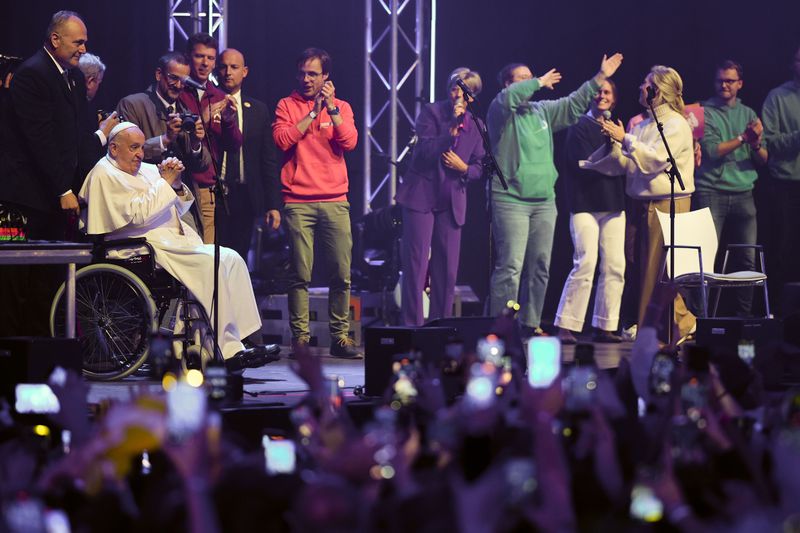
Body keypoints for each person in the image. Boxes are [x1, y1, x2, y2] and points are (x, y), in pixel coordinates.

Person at [79, 122, 280, 372]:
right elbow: (138, 216)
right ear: (113, 147)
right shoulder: (103, 174)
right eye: (133, 148)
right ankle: (229, 352)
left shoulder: (145, 170)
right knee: (212, 264)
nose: (140, 154)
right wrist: (165, 184)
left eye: (141, 147)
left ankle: (242, 339)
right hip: (138, 248)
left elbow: (179, 205)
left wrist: (175, 183)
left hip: (169, 242)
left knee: (231, 258)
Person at [486, 53, 624, 337]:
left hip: (543, 201)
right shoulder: (500, 111)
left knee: (540, 266)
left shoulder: (542, 111)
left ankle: (530, 322)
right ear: (506, 85)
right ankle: (501, 328)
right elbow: (509, 99)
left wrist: (599, 77)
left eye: (530, 76)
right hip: (511, 199)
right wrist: (537, 81)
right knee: (511, 266)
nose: (530, 82)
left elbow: (574, 104)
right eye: (521, 78)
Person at [0, 10, 117, 337]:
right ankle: (13, 356)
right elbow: (39, 140)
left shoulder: (75, 78)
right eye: (78, 42)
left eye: (85, 42)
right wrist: (63, 189)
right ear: (55, 39)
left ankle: (46, 355)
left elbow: (75, 138)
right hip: (23, 199)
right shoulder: (31, 74)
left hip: (55, 197)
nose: (83, 48)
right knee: (16, 281)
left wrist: (79, 185)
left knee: (49, 282)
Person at [586, 65, 696, 342]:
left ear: (657, 91)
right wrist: (610, 147)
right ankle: (665, 323)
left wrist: (626, 139)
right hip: (640, 204)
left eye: (645, 84)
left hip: (665, 203)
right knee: (640, 265)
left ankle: (657, 330)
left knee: (655, 269)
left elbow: (656, 160)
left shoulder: (675, 124)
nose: (639, 88)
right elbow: (629, 163)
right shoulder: (644, 125)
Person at [272, 48, 360, 358]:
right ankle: (301, 340)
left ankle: (340, 337)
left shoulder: (342, 107)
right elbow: (282, 140)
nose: (306, 79)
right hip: (298, 202)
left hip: (336, 200)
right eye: (302, 73)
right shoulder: (286, 105)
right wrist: (312, 112)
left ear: (325, 77)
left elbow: (349, 141)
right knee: (300, 274)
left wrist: (331, 107)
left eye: (313, 74)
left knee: (341, 273)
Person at [395, 68, 486, 326]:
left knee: (446, 270)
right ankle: (412, 325)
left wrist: (465, 168)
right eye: (454, 88)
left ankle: (440, 326)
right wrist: (450, 132)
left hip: (451, 201)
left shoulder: (478, 127)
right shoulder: (431, 114)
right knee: (416, 264)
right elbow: (423, 151)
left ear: (472, 95)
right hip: (421, 197)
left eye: (463, 90)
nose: (456, 94)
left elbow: (481, 166)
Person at [693, 60, 768, 316]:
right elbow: (712, 151)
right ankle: (701, 320)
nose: (724, 85)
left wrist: (756, 144)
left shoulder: (748, 113)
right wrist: (743, 139)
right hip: (711, 191)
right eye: (720, 80)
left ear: (740, 84)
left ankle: (743, 319)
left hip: (743, 194)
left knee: (746, 259)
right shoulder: (704, 111)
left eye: (729, 81)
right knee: (706, 259)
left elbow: (764, 159)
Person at [554, 80, 626, 344]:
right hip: (584, 202)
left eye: (607, 92)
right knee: (585, 262)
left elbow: (625, 161)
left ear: (614, 99)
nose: (601, 95)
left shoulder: (616, 127)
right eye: (598, 91)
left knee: (615, 265)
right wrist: (614, 154)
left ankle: (606, 325)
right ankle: (566, 325)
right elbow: (583, 163)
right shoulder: (579, 126)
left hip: (613, 203)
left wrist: (620, 144)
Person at [215, 48, 282, 261]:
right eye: (223, 67)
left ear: (244, 72)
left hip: (245, 196)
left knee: (239, 258)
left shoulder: (258, 110)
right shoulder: (206, 104)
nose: (228, 72)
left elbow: (268, 160)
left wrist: (272, 204)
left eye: (234, 67)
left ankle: (235, 295)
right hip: (214, 193)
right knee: (213, 258)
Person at [178, 32, 242, 244]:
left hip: (206, 187)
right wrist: (203, 118)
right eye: (199, 56)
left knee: (205, 251)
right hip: (176, 184)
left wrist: (230, 120)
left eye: (211, 58)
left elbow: (233, 145)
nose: (205, 63)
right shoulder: (177, 92)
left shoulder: (219, 96)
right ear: (188, 57)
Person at [762, 47, 800, 284]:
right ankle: (784, 309)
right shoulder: (777, 97)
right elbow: (770, 142)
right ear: (792, 64)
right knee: (785, 245)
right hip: (785, 184)